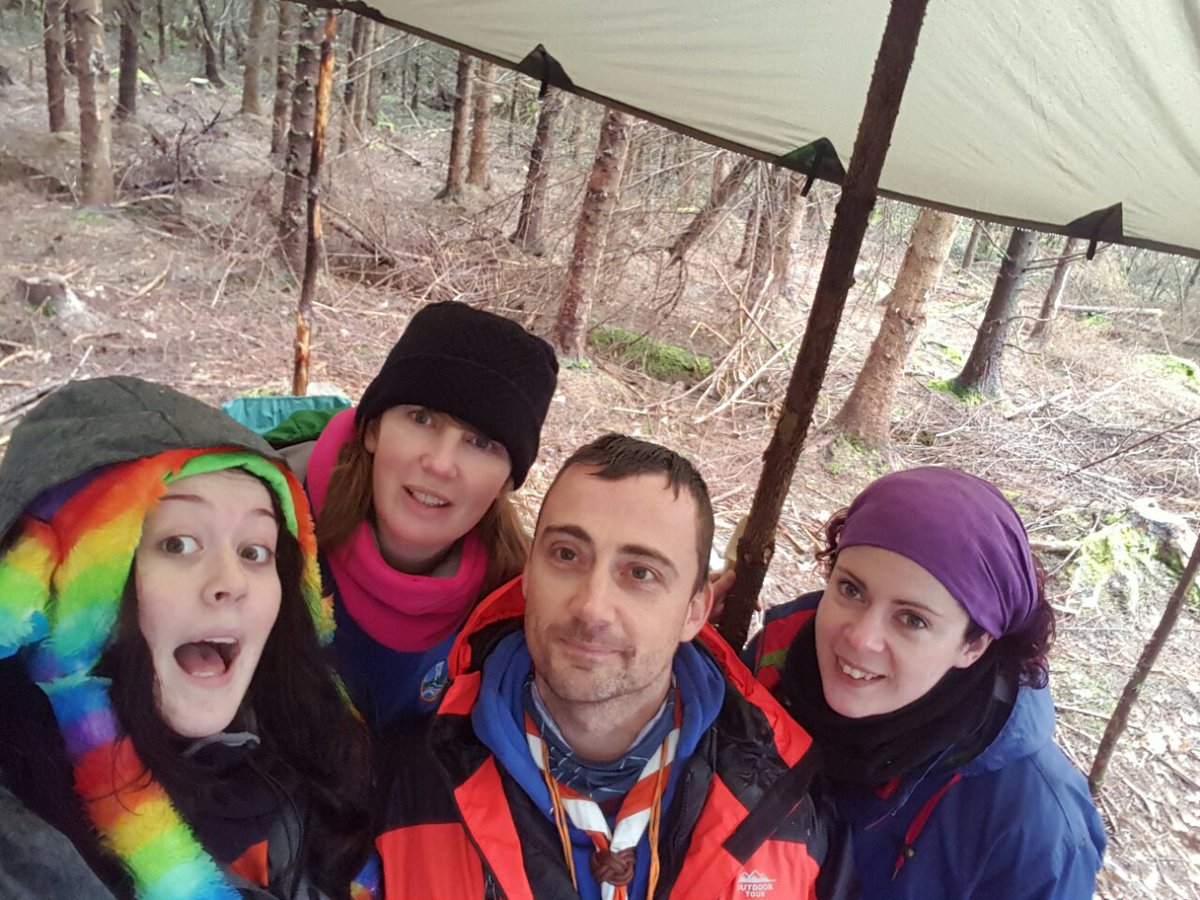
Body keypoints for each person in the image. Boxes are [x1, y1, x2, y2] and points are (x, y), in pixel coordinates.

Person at [376, 433, 854, 900]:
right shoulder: (405, 780)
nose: (592, 607)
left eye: (640, 573)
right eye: (567, 555)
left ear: (694, 611)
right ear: (528, 575)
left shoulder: (786, 804)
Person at [0, 376, 376, 899]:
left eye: (254, 551)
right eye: (178, 544)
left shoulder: (309, 761)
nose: (231, 582)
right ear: (61, 581)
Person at [745, 466, 1106, 899]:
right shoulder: (771, 668)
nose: (860, 638)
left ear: (973, 645)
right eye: (852, 590)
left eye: (912, 619)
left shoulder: (1034, 831)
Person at [301, 300, 559, 733]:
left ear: (506, 482)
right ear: (372, 429)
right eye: (421, 419)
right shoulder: (268, 520)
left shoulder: (512, 601)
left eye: (481, 443)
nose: (440, 464)